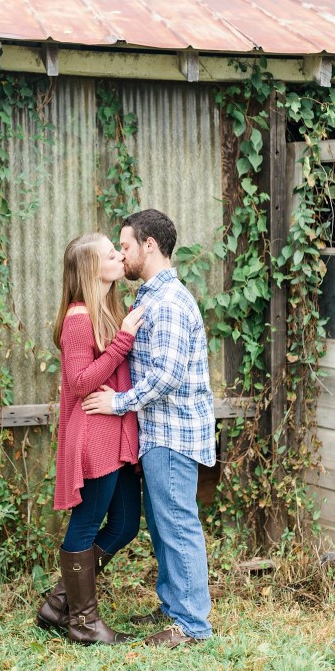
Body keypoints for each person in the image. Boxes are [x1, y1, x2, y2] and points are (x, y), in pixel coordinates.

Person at [81, 209, 215, 648]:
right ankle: (174, 608)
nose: (122, 255)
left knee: (177, 524)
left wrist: (116, 403)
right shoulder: (148, 298)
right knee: (162, 525)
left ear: (149, 245)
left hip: (173, 435)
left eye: (125, 246)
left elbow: (167, 376)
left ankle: (192, 626)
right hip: (157, 435)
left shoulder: (170, 302)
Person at [37, 232, 145, 644]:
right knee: (85, 526)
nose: (119, 256)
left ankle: (59, 602)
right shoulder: (79, 319)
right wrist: (123, 341)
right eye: (109, 254)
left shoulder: (104, 311)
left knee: (123, 526)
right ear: (90, 269)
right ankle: (82, 623)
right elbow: (81, 383)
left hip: (113, 433)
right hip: (93, 438)